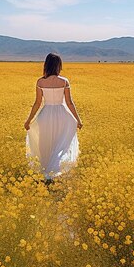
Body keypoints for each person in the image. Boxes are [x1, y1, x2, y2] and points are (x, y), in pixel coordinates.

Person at [24, 52, 82, 183]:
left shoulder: (40, 82)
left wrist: (29, 121)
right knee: (61, 144)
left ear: (46, 65)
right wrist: (78, 120)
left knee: (45, 143)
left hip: (45, 115)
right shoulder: (64, 81)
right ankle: (55, 172)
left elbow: (37, 103)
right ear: (58, 66)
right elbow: (69, 103)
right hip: (62, 115)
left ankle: (46, 173)